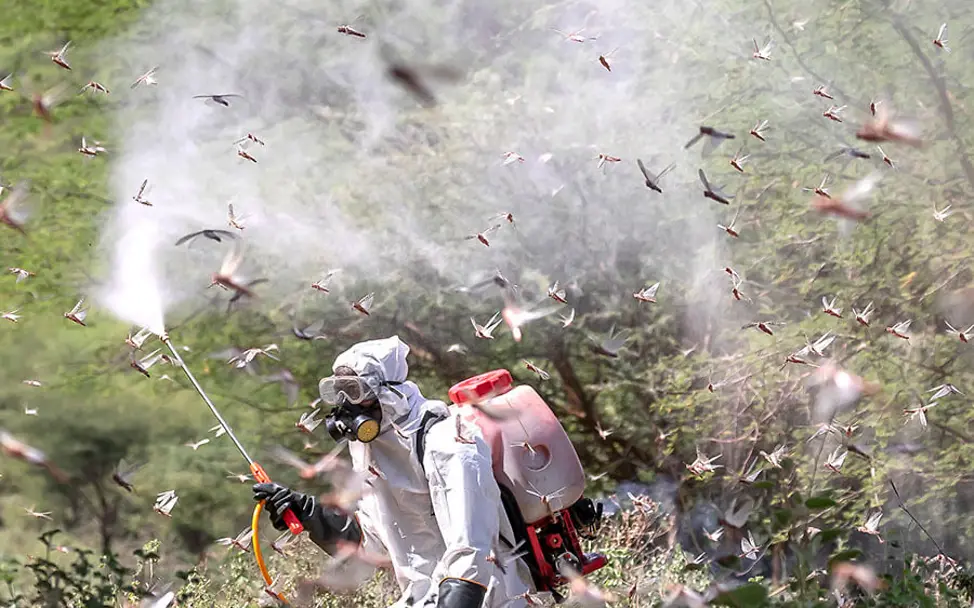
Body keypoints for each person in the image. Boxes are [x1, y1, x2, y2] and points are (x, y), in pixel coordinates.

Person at [253, 336, 535, 608]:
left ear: (386, 392)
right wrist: (309, 513)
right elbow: (372, 543)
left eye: (353, 391)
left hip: (488, 599)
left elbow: (472, 551)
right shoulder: (372, 451)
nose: (344, 404)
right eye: (337, 392)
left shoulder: (448, 442)